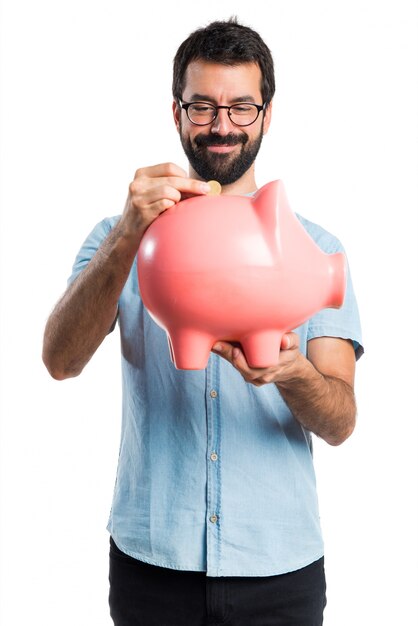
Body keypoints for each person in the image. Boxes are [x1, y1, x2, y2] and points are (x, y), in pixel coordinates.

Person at [43, 17, 363, 626]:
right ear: (177, 112)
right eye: (203, 106)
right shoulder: (121, 239)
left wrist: (293, 373)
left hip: (278, 566)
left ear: (266, 115)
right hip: (152, 562)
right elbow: (60, 361)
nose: (222, 124)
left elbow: (342, 420)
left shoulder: (313, 246)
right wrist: (126, 240)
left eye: (241, 107)